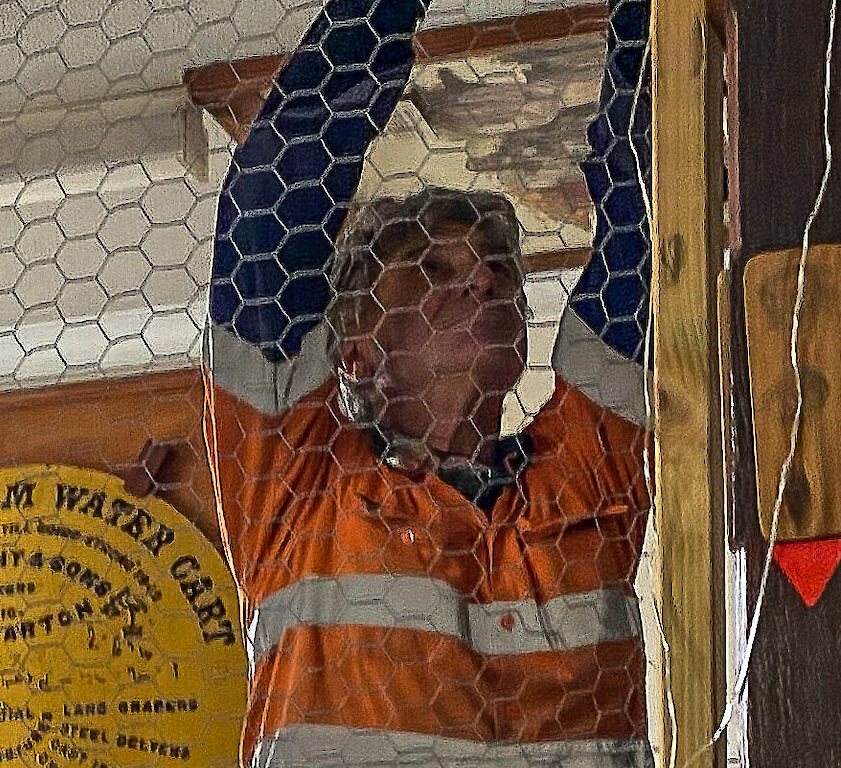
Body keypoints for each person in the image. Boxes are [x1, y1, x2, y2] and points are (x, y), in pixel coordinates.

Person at [199, 0, 653, 764]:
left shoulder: (586, 478)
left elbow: (649, 206)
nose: (481, 278)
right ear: (356, 352)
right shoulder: (298, 491)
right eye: (432, 269)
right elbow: (273, 198)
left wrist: (647, 21)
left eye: (499, 268)